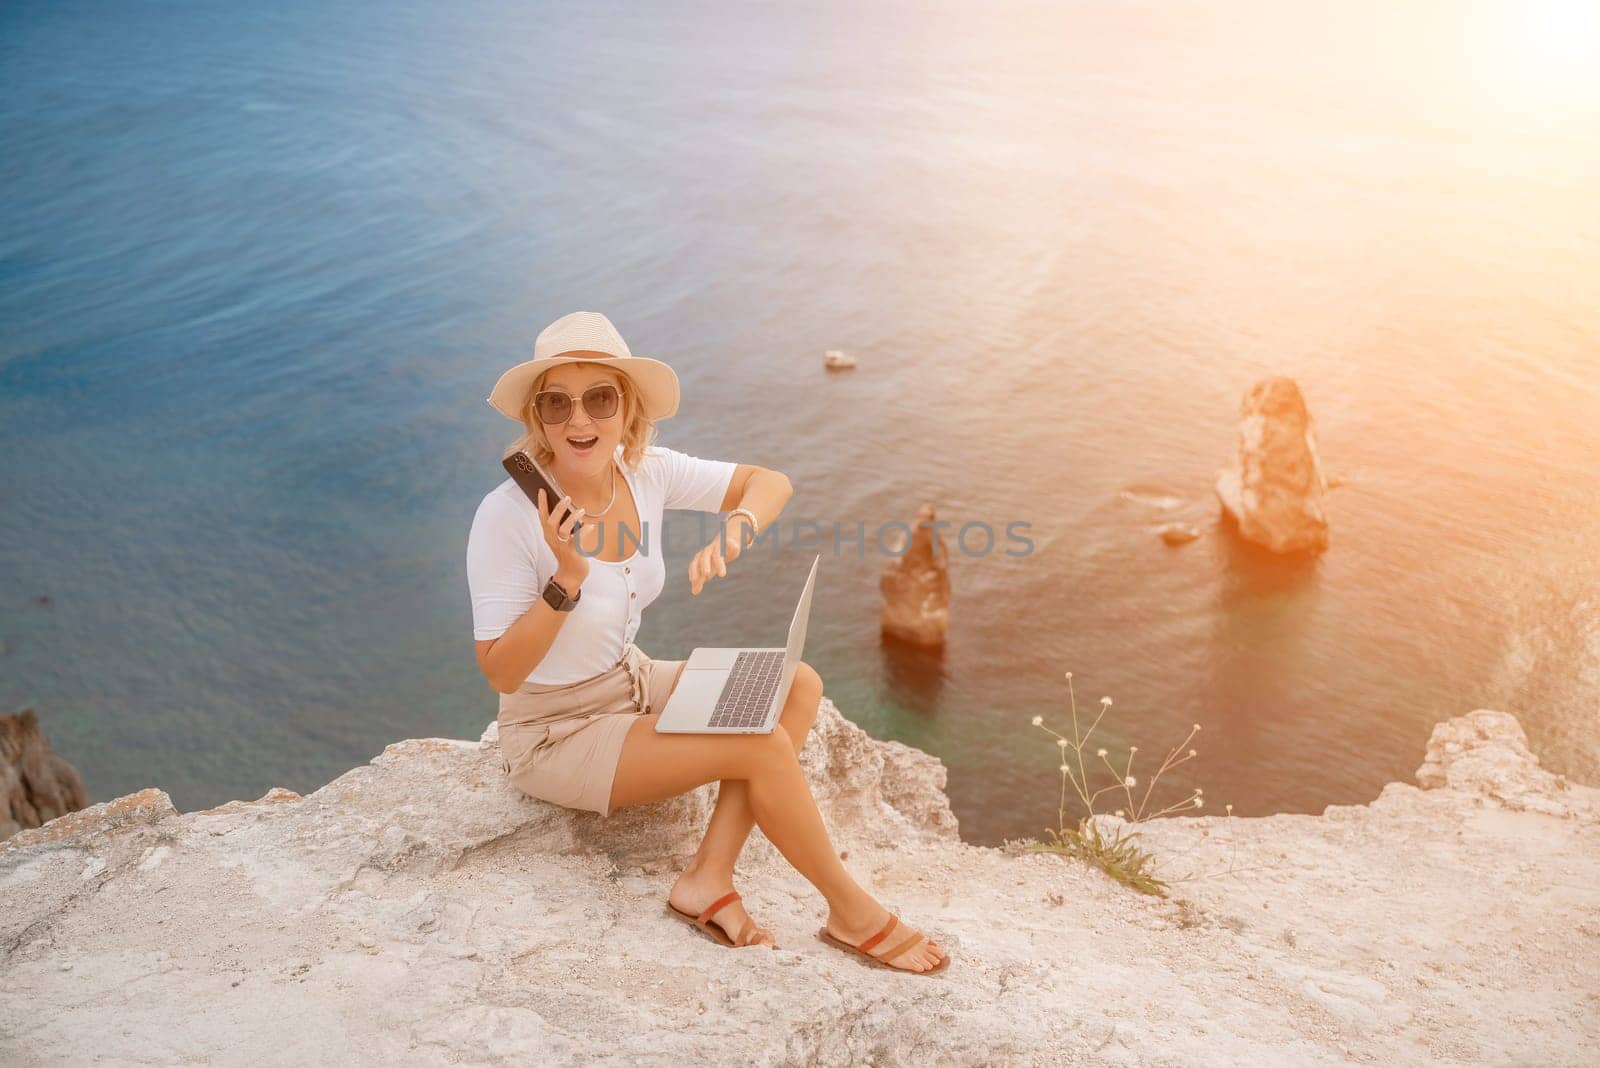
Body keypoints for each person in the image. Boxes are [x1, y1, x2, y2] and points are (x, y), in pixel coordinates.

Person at [466, 311, 949, 974]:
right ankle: (851, 912)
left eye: (599, 399)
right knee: (756, 742)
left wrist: (737, 529)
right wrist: (566, 579)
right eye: (557, 403)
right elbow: (500, 671)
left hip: (625, 683)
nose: (580, 421)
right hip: (555, 731)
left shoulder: (647, 473)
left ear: (627, 406)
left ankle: (706, 878)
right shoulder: (505, 516)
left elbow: (768, 481)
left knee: (796, 683)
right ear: (538, 419)